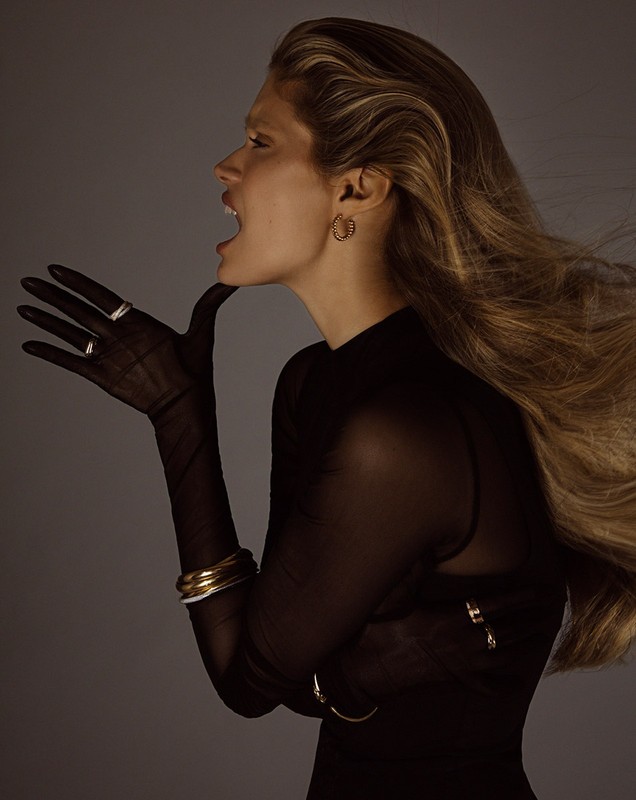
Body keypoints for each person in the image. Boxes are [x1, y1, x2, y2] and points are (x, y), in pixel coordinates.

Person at [17, 16, 635, 800]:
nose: (226, 165)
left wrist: (177, 414)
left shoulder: (401, 433)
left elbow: (249, 677)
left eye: (260, 141)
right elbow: (290, 659)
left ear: (357, 188)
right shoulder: (316, 384)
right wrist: (354, 672)